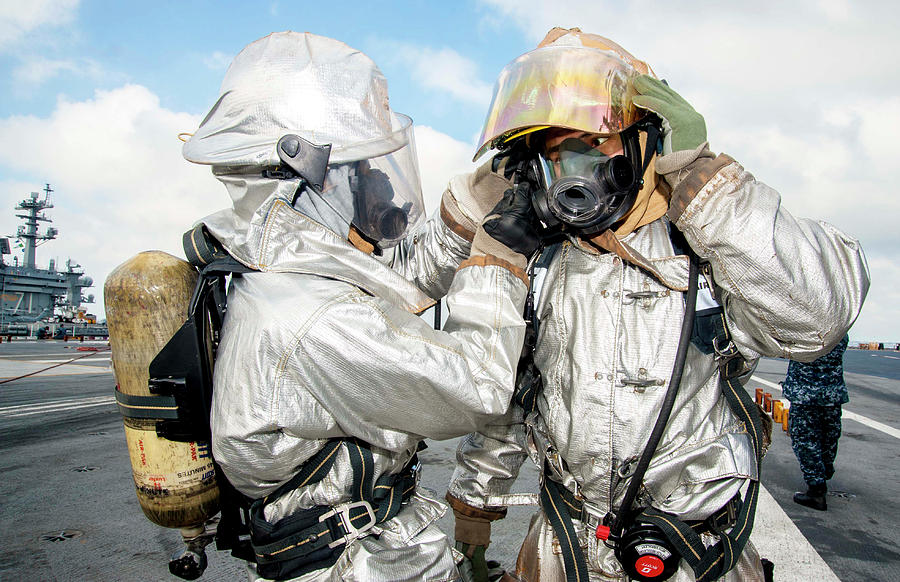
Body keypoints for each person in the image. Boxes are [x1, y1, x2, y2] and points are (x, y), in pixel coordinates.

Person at [445, 28, 869, 582]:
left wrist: (707, 183)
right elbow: (509, 403)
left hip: (692, 553)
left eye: (595, 145)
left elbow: (816, 317)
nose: (575, 174)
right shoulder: (542, 264)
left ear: (646, 144)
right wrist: (476, 519)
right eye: (556, 155)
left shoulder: (709, 246)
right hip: (566, 547)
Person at [181, 31, 541, 581]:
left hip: (359, 546)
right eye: (362, 170)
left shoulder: (287, 269)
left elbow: (397, 286)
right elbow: (478, 388)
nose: (378, 184)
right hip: (355, 564)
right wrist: (498, 262)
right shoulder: (312, 313)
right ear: (307, 176)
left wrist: (473, 203)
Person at [782, 334, 850, 511]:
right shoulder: (839, 327)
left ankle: (816, 489)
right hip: (832, 393)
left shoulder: (805, 330)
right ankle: (825, 471)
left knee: (805, 440)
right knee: (829, 436)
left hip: (806, 394)